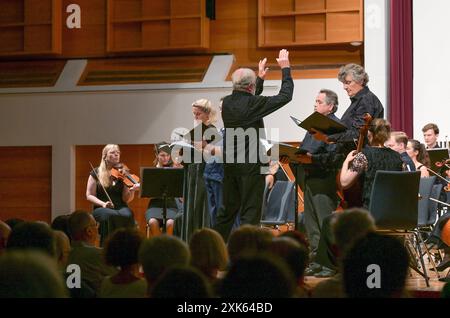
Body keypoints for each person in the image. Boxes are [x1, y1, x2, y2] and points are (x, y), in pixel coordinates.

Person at [215, 49, 293, 241]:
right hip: (250, 166)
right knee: (250, 212)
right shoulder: (251, 105)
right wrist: (285, 69)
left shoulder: (226, 104)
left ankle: (214, 251)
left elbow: (249, 101)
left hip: (231, 165)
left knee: (227, 212)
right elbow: (285, 96)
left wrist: (259, 80)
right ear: (250, 86)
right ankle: (245, 254)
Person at [295, 89, 342, 259]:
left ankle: (328, 260)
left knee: (324, 222)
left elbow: (335, 156)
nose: (315, 104)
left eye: (319, 102)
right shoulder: (313, 125)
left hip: (324, 179)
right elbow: (304, 149)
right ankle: (315, 258)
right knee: (311, 222)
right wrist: (292, 157)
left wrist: (312, 159)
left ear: (330, 106)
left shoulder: (335, 127)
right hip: (309, 177)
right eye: (315, 101)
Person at [86, 144, 139, 245]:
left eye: (118, 153)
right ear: (105, 156)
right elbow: (89, 195)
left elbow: (126, 199)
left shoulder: (122, 172)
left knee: (128, 214)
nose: (116, 155)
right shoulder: (96, 172)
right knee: (109, 215)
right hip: (101, 207)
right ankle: (106, 245)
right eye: (112, 153)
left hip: (120, 206)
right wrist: (103, 204)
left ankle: (127, 245)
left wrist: (131, 190)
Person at [324, 63, 384, 147]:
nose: (344, 87)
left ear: (361, 81)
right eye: (343, 83)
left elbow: (358, 134)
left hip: (362, 155)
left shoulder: (366, 100)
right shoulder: (361, 100)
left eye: (348, 82)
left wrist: (331, 137)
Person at [145, 142, 183, 237]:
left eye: (167, 155)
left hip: (171, 204)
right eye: (162, 155)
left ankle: (167, 246)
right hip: (155, 204)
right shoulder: (152, 171)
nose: (165, 158)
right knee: (153, 222)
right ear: (156, 155)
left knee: (170, 223)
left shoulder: (175, 168)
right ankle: (160, 246)